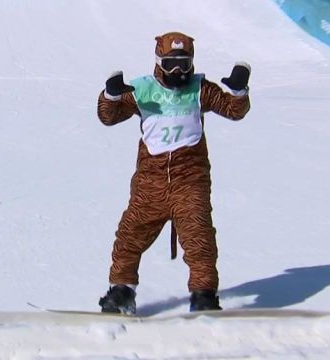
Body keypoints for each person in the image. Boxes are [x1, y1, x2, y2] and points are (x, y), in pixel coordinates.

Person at [96, 31, 251, 314]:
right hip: (150, 183)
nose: (177, 70)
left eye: (183, 63)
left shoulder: (200, 89)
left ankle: (203, 295)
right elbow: (109, 116)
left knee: (199, 237)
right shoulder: (142, 90)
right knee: (130, 235)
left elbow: (233, 110)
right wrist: (111, 95)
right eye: (170, 64)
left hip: (189, 180)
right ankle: (122, 290)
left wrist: (238, 92)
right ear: (158, 63)